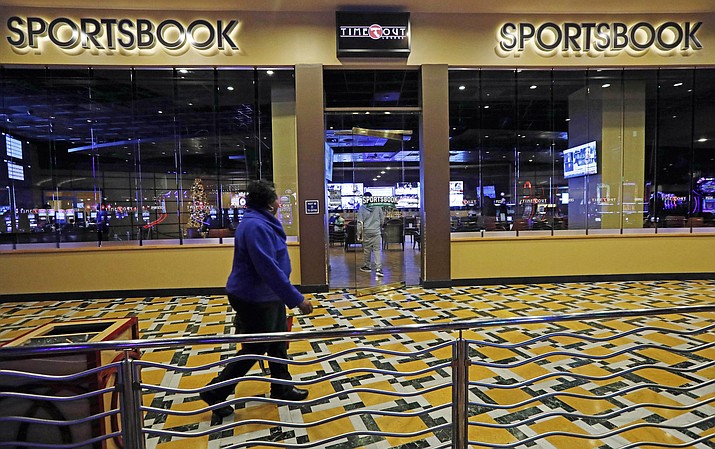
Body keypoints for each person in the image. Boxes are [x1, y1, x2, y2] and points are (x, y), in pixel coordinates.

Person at [200, 179, 314, 419]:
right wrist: (296, 299)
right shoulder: (255, 227)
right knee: (256, 347)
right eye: (276, 197)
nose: (279, 202)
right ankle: (215, 391)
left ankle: (281, 387)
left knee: (277, 341)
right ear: (268, 203)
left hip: (267, 294)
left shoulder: (260, 222)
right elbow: (268, 268)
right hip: (255, 296)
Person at [357, 192, 385, 277]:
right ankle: (378, 269)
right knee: (377, 250)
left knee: (367, 250)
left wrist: (359, 234)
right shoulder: (378, 206)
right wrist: (379, 226)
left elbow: (360, 223)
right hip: (376, 231)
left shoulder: (362, 208)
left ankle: (367, 266)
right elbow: (382, 219)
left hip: (366, 231)